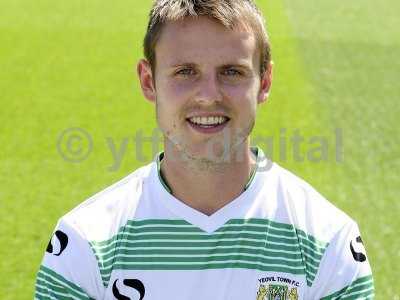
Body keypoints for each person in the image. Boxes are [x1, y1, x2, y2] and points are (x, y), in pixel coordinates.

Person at [35, 0, 374, 299]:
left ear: (264, 82)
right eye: (185, 72)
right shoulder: (84, 243)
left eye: (232, 72)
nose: (209, 95)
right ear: (148, 81)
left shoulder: (329, 242)